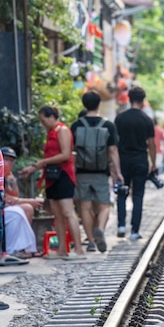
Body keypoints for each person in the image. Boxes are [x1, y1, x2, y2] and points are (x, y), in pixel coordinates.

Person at [19, 106, 85, 260]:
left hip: (63, 175)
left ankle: (79, 249)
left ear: (51, 117)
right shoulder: (50, 132)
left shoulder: (62, 130)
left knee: (68, 212)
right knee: (57, 214)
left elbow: (65, 154)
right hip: (52, 176)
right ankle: (62, 248)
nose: (43, 124)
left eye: (43, 120)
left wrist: (42, 162)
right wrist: (34, 167)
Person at [71, 91, 123, 253]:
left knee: (85, 207)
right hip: (101, 171)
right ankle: (99, 228)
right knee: (104, 206)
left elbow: (72, 151)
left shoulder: (76, 125)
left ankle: (91, 241)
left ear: (84, 104)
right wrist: (118, 173)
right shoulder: (107, 125)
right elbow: (113, 150)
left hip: (82, 172)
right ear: (98, 104)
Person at [115, 86, 156, 240]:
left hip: (123, 160)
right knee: (138, 195)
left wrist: (114, 166)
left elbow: (115, 142)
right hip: (140, 160)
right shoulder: (146, 120)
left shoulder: (120, 118)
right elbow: (151, 144)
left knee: (121, 193)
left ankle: (121, 225)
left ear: (129, 98)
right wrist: (153, 162)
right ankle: (134, 231)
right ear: (143, 100)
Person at [0, 149, 29, 268]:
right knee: (17, 212)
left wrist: (13, 181)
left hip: (5, 203)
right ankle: (8, 250)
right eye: (6, 159)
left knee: (26, 209)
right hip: (5, 204)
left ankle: (19, 248)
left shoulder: (9, 175)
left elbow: (15, 195)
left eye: (11, 160)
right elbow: (8, 199)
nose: (8, 163)